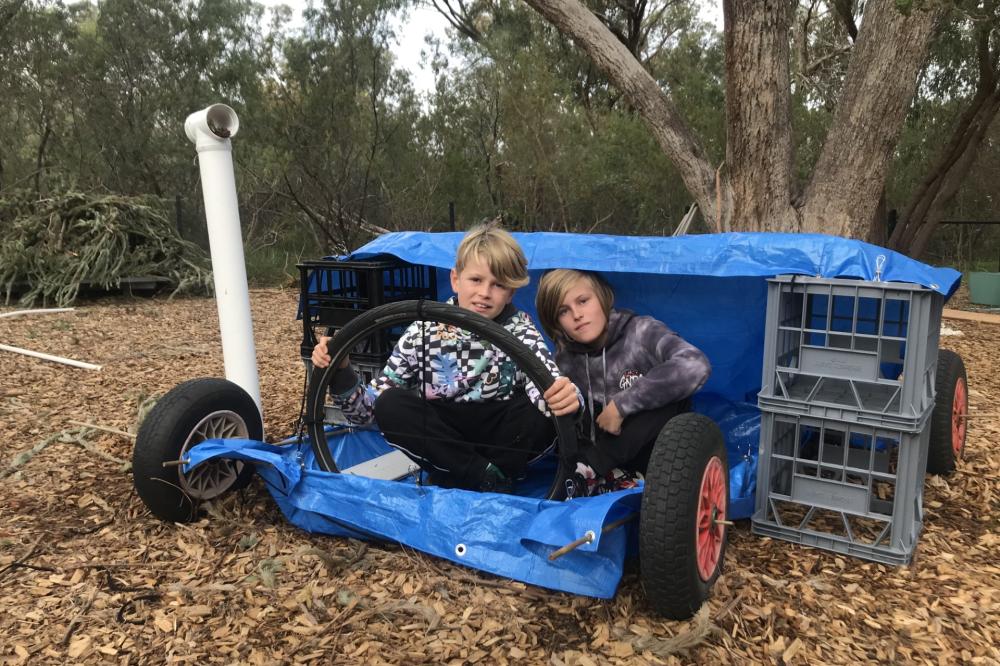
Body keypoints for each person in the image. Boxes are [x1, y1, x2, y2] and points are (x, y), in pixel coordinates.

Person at [312, 223, 580, 493]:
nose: (485, 293)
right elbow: (367, 413)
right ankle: (482, 477)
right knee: (390, 403)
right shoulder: (423, 330)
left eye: (498, 285)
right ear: (455, 279)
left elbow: (547, 386)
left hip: (501, 438)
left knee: (545, 406)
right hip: (445, 440)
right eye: (476, 280)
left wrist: (566, 397)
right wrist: (341, 370)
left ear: (511, 293)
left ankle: (483, 475)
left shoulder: (520, 330)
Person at [535, 269, 711, 497]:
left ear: (602, 298)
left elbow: (696, 365)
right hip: (603, 451)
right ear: (556, 323)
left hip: (660, 453)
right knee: (564, 402)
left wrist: (622, 405)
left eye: (583, 301)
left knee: (670, 396)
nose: (577, 314)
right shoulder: (565, 359)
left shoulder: (640, 331)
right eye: (563, 311)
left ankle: (593, 468)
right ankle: (596, 474)